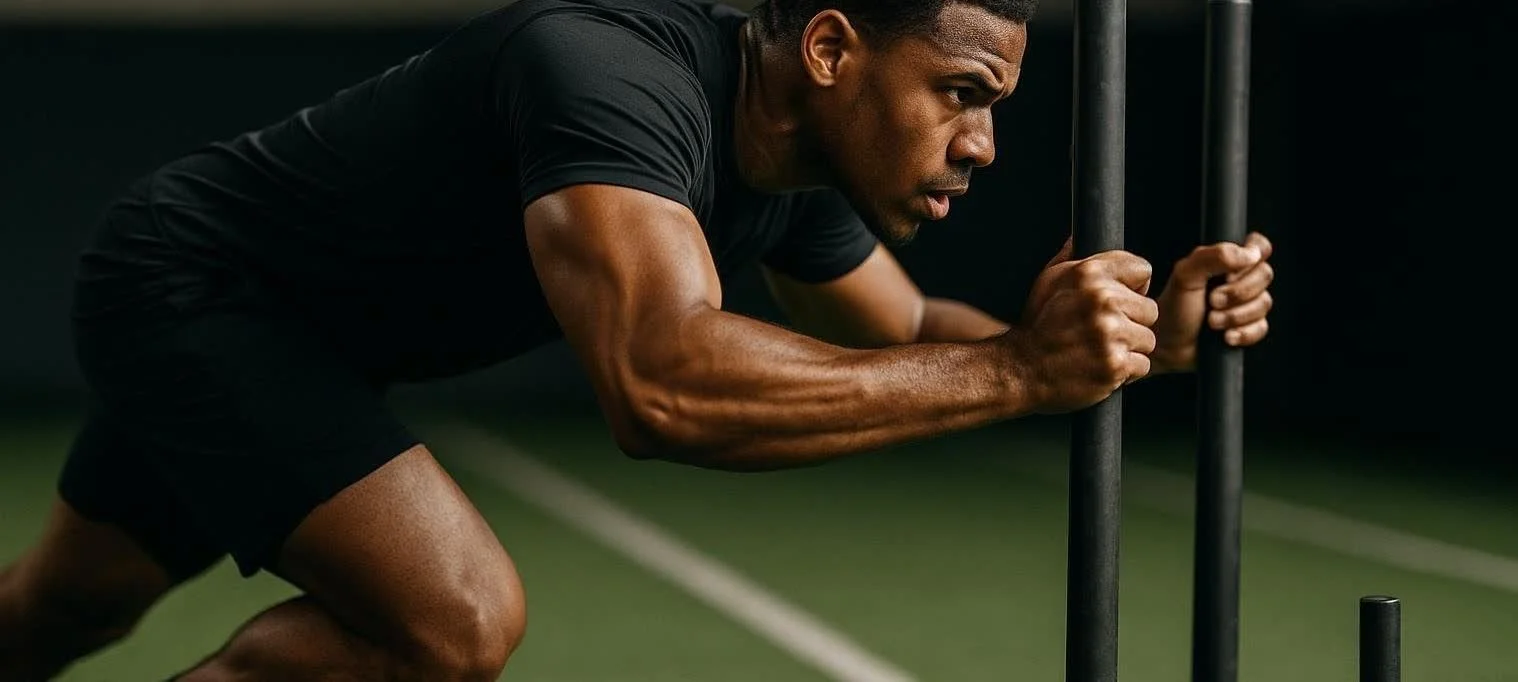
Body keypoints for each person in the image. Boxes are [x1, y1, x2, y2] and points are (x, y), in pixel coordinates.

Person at [0, 0, 1276, 679]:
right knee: (451, 622)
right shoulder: (615, 77)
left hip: (302, 349)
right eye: (961, 94)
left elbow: (911, 331)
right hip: (194, 285)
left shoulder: (783, 168)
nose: (984, 144)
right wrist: (1013, 373)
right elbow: (663, 384)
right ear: (832, 47)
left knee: (62, 611)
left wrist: (1119, 339)